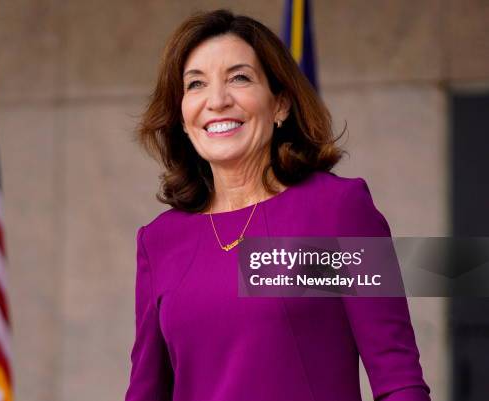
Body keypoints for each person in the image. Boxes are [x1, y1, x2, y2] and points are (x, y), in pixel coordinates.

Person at [125, 9, 431, 401]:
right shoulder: (160, 240)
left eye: (239, 77)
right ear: (183, 119)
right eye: (195, 84)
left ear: (281, 103)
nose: (217, 100)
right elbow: (145, 393)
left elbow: (397, 381)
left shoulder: (336, 210)